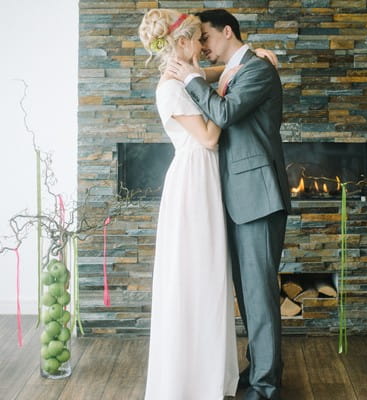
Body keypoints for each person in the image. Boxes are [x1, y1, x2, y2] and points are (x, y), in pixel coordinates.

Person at [167, 9, 292, 400]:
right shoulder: (236, 71)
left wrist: (188, 76)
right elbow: (220, 85)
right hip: (239, 198)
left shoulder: (256, 70)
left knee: (259, 294)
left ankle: (266, 387)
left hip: (258, 197)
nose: (203, 46)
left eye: (205, 37)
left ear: (227, 31)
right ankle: (257, 370)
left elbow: (223, 112)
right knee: (248, 293)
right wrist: (188, 72)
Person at [138, 9, 239, 399]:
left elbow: (205, 78)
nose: (203, 45)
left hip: (205, 179)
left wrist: (248, 59)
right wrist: (227, 99)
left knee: (211, 276)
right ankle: (189, 382)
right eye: (197, 39)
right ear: (181, 43)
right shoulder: (170, 88)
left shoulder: (183, 77)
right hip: (193, 182)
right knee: (196, 276)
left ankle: (210, 374)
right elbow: (210, 137)